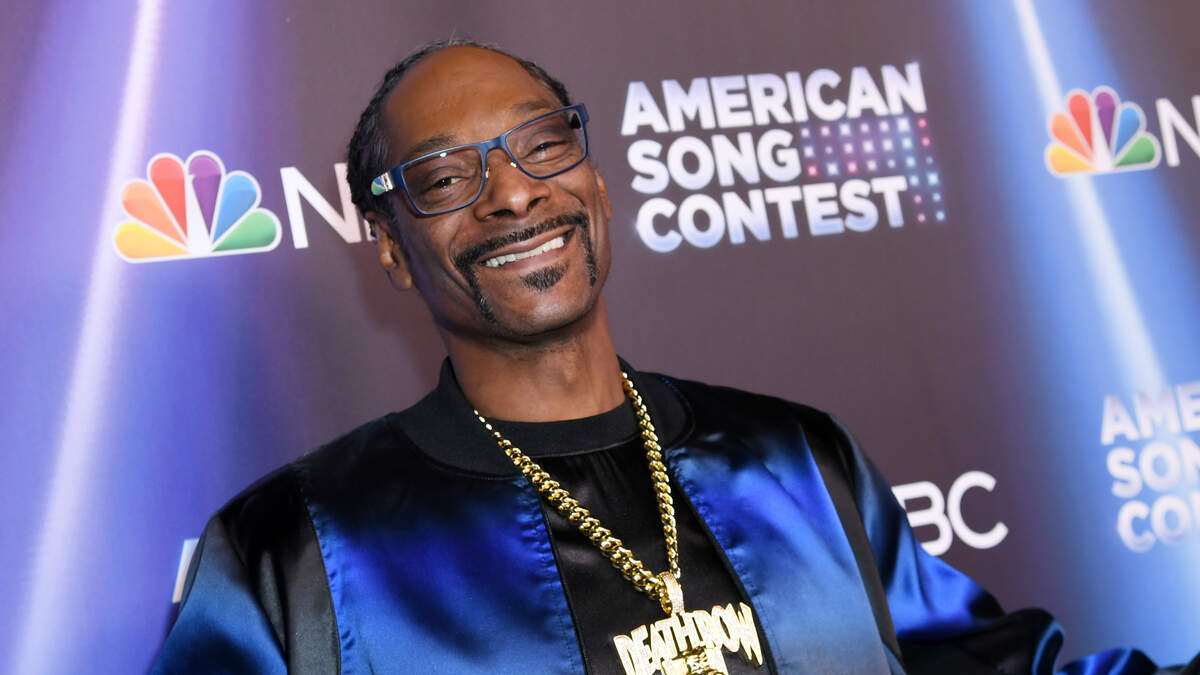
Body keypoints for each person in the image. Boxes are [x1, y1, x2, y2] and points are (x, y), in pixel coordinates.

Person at [154, 40, 1196, 675]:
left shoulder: (795, 460)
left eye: (543, 143)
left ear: (597, 183)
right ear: (389, 245)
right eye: (443, 177)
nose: (512, 192)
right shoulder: (297, 551)